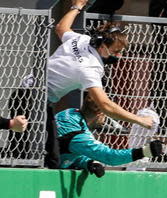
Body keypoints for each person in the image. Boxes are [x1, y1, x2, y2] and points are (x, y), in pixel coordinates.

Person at [43, 0, 155, 169]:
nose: (118, 56)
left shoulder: (83, 40)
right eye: (116, 51)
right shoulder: (90, 67)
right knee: (46, 156)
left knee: (41, 148)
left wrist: (76, 7)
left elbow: (61, 28)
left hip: (32, 92)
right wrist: (139, 120)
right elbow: (105, 105)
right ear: (103, 46)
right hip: (37, 100)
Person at [55, 92, 167, 178]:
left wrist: (88, 163)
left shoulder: (71, 114)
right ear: (100, 111)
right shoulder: (75, 129)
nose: (105, 121)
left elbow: (69, 151)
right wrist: (144, 152)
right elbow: (109, 156)